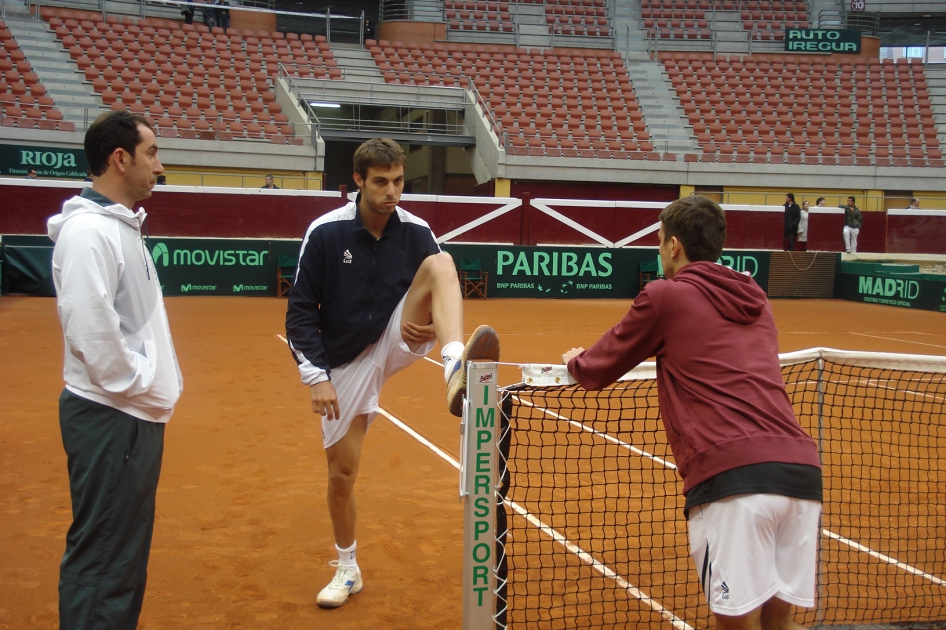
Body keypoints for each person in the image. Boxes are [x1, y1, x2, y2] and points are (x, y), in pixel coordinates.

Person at [562, 196, 822, 630]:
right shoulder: (756, 295)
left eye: (659, 240)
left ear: (674, 246)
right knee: (779, 625)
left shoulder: (664, 295)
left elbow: (599, 366)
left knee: (735, 626)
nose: (659, 248)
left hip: (732, 480)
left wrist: (575, 360)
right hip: (801, 473)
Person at [285, 137, 499, 609]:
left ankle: (453, 364)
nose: (392, 192)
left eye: (399, 181)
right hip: (343, 357)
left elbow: (438, 281)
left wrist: (427, 327)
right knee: (342, 473)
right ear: (358, 181)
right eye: (381, 182)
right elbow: (300, 312)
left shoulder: (417, 229)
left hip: (402, 334)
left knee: (442, 262)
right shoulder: (325, 232)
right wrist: (315, 375)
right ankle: (348, 567)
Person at [46, 110, 183, 630]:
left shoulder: (117, 226)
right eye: (152, 153)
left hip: (129, 417)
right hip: (113, 416)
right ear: (120, 158)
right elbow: (91, 334)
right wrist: (141, 385)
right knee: (104, 557)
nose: (160, 165)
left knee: (121, 558)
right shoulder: (89, 233)